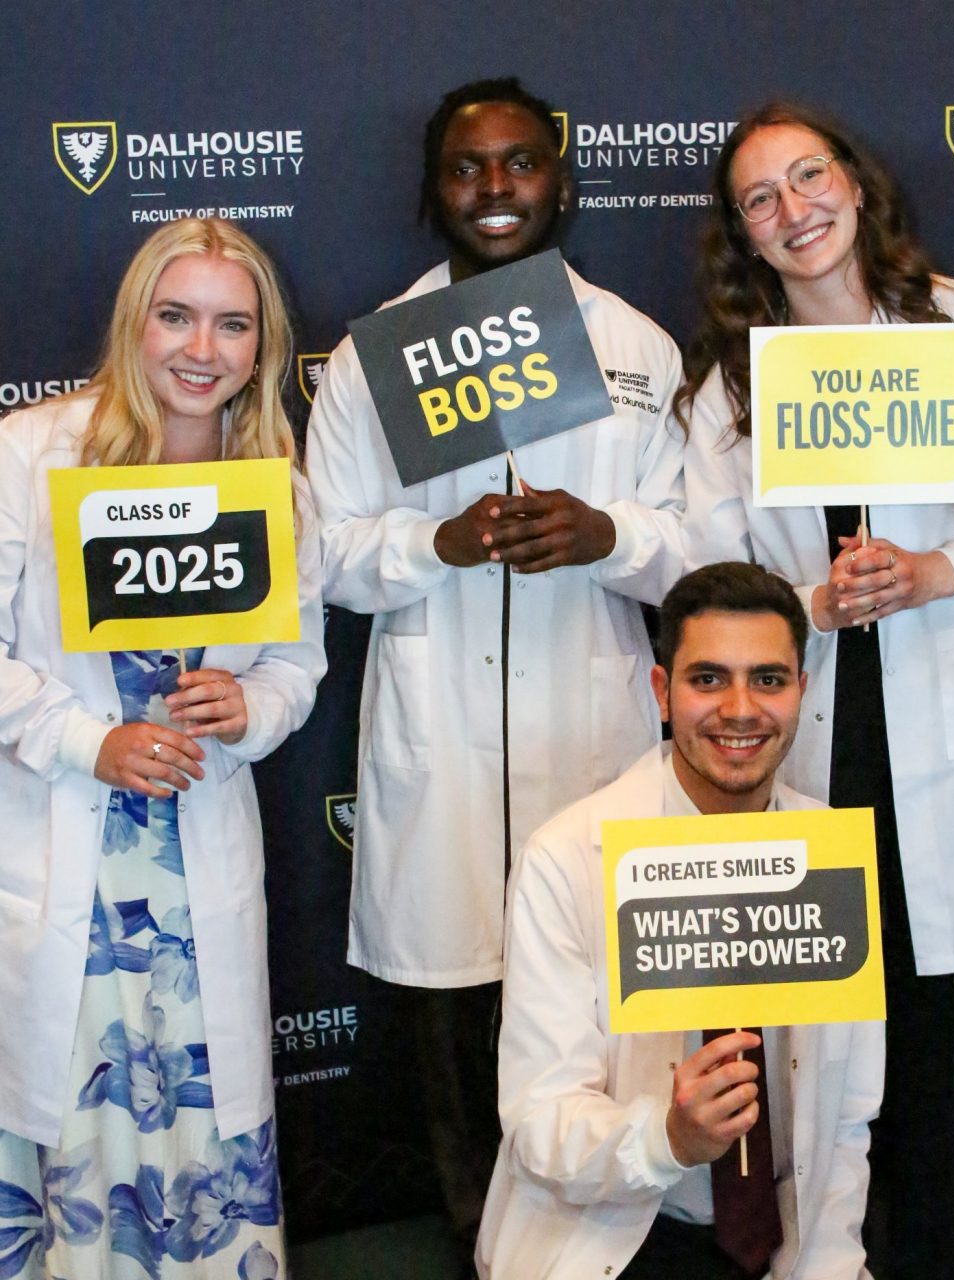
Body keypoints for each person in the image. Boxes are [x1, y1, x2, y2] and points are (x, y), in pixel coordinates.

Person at [675, 102, 954, 1280]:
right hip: (812, 748)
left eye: (808, 178)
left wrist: (939, 568)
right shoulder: (730, 391)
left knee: (953, 1067)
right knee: (820, 1066)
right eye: (760, 199)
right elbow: (704, 571)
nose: (793, 212)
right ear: (742, 233)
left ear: (854, 183)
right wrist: (809, 601)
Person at [304, 77, 685, 1250]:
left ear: (559, 178)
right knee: (455, 1018)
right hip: (445, 736)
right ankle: (489, 1242)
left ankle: (612, 1238)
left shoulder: (634, 345)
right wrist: (441, 540)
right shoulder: (374, 358)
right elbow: (325, 549)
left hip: (593, 726)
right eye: (468, 168)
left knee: (604, 1000)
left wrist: (604, 533)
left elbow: (691, 544)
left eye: (519, 163)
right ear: (435, 191)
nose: (495, 189)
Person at [0, 217, 325, 1278]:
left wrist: (250, 706)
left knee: (203, 1127)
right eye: (176, 315)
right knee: (72, 1129)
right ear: (134, 323)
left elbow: (296, 665)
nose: (202, 348)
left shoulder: (274, 484)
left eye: (233, 324)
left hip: (194, 879)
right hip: (70, 869)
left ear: (262, 345)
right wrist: (87, 739)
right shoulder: (29, 454)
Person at [477, 560, 884, 1279]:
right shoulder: (567, 857)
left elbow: (847, 1119)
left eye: (768, 679)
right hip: (627, 1227)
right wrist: (668, 1138)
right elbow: (540, 1120)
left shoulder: (832, 854)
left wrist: (828, 1263)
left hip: (786, 1236)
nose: (739, 709)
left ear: (802, 692)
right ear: (663, 692)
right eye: (708, 679)